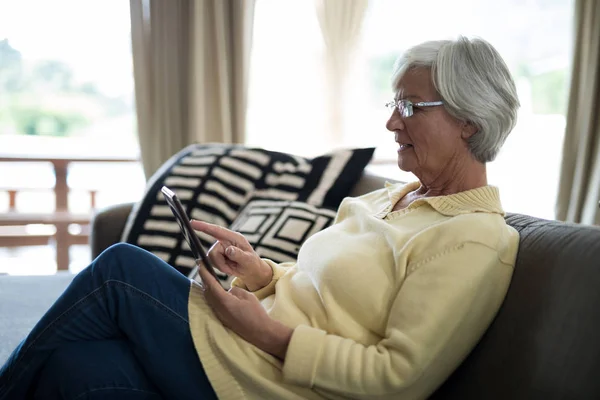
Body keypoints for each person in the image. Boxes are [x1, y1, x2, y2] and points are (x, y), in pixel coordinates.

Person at [0, 36, 520, 400]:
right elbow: (325, 293)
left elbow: (399, 378)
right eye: (394, 103)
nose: (390, 120)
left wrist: (270, 337)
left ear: (469, 121)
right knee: (75, 371)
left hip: (274, 381)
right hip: (244, 354)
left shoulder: (473, 240)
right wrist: (262, 273)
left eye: (410, 107)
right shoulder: (392, 199)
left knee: (121, 271)